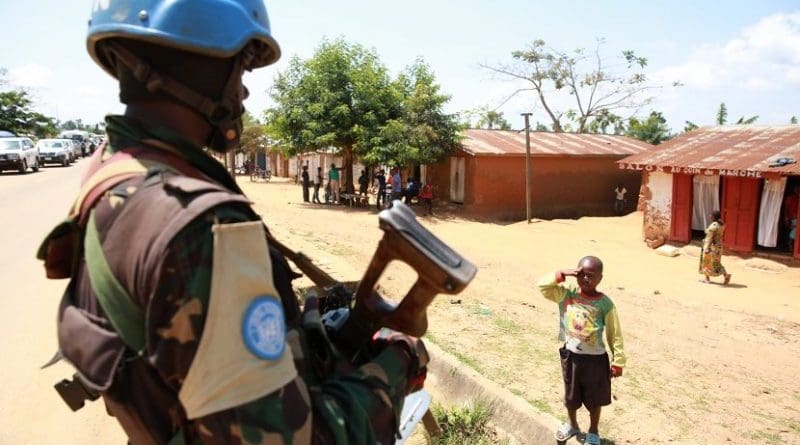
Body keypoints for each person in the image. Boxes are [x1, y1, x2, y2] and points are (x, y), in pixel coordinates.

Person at [37, 2, 428, 444]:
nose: (242, 92)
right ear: (197, 61)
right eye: (239, 69)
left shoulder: (111, 174)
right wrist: (398, 363)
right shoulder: (203, 227)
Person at [538, 256, 625, 445]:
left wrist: (618, 361)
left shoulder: (605, 304)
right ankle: (572, 424)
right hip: (571, 356)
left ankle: (593, 431)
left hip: (595, 360)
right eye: (581, 274)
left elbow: (614, 333)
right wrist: (563, 273)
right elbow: (543, 286)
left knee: (594, 398)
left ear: (600, 278)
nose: (585, 279)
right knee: (571, 395)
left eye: (590, 276)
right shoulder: (567, 294)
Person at [699, 210, 732, 284]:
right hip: (719, 246)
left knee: (706, 261)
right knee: (716, 263)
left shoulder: (714, 225)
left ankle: (707, 279)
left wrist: (707, 248)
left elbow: (710, 238)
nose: (710, 216)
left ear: (714, 217)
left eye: (711, 215)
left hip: (712, 246)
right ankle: (726, 276)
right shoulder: (721, 224)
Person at [783, 185, 799, 249]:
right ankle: (789, 245)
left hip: (796, 217)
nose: (797, 191)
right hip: (791, 217)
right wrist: (786, 217)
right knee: (791, 231)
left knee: (794, 231)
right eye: (796, 189)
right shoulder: (789, 198)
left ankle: (791, 246)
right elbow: (786, 208)